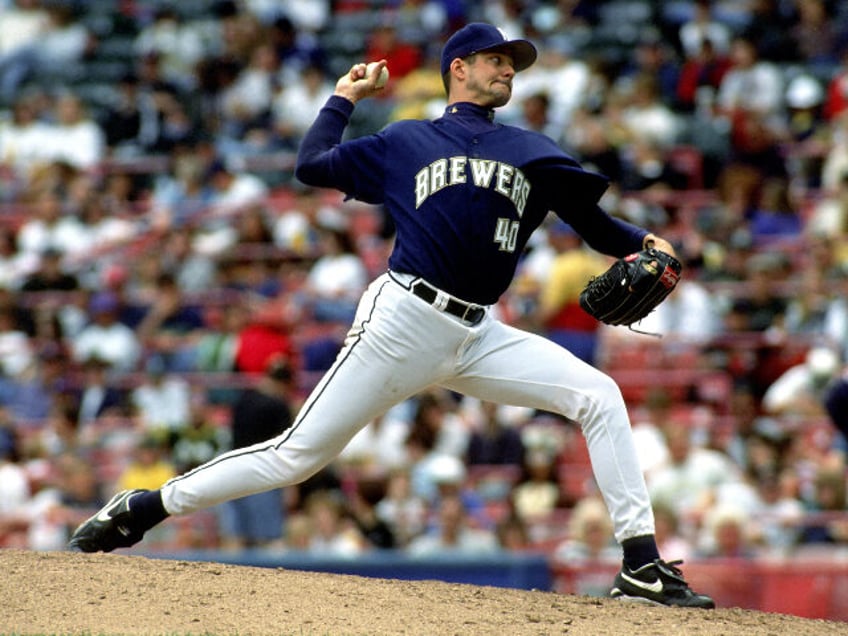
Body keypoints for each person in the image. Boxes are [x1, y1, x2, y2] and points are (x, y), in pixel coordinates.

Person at [67, 22, 714, 609]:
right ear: (457, 67)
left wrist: (642, 242)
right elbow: (310, 165)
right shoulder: (407, 141)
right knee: (296, 457)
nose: (508, 71)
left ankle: (640, 565)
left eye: (513, 64)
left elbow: (593, 223)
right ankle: (147, 505)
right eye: (495, 60)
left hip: (478, 333)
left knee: (599, 394)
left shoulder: (531, 151)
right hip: (403, 319)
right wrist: (344, 96)